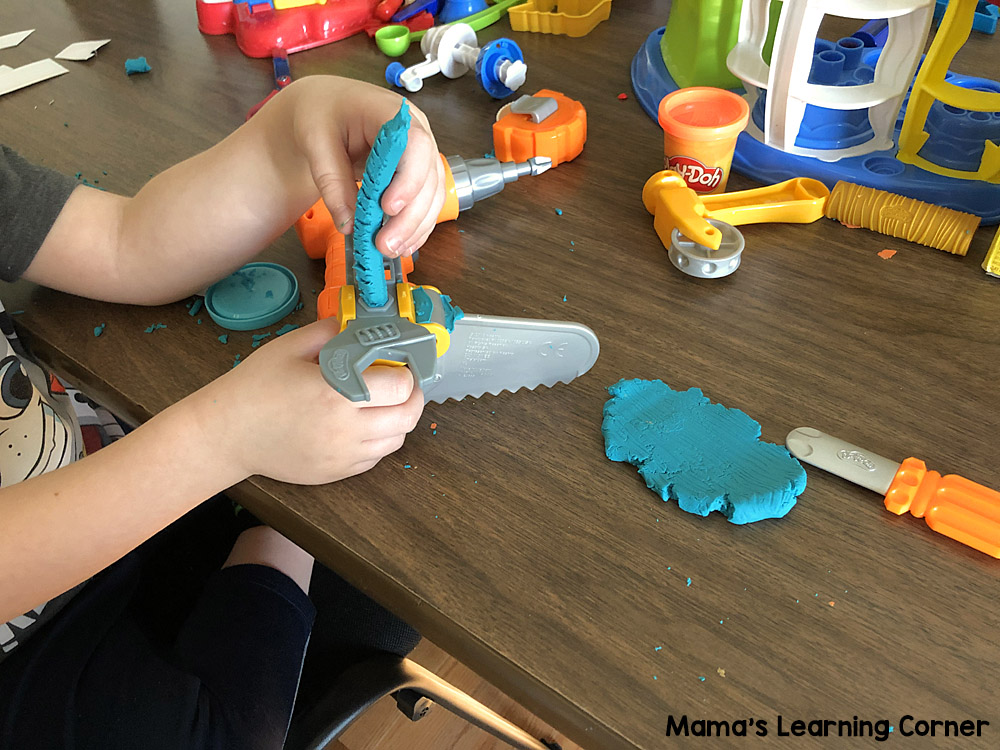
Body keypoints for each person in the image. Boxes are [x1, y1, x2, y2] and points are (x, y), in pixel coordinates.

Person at [0, 75, 446, 749]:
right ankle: (273, 524)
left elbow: (122, 242)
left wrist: (294, 132)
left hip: (103, 471)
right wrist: (226, 442)